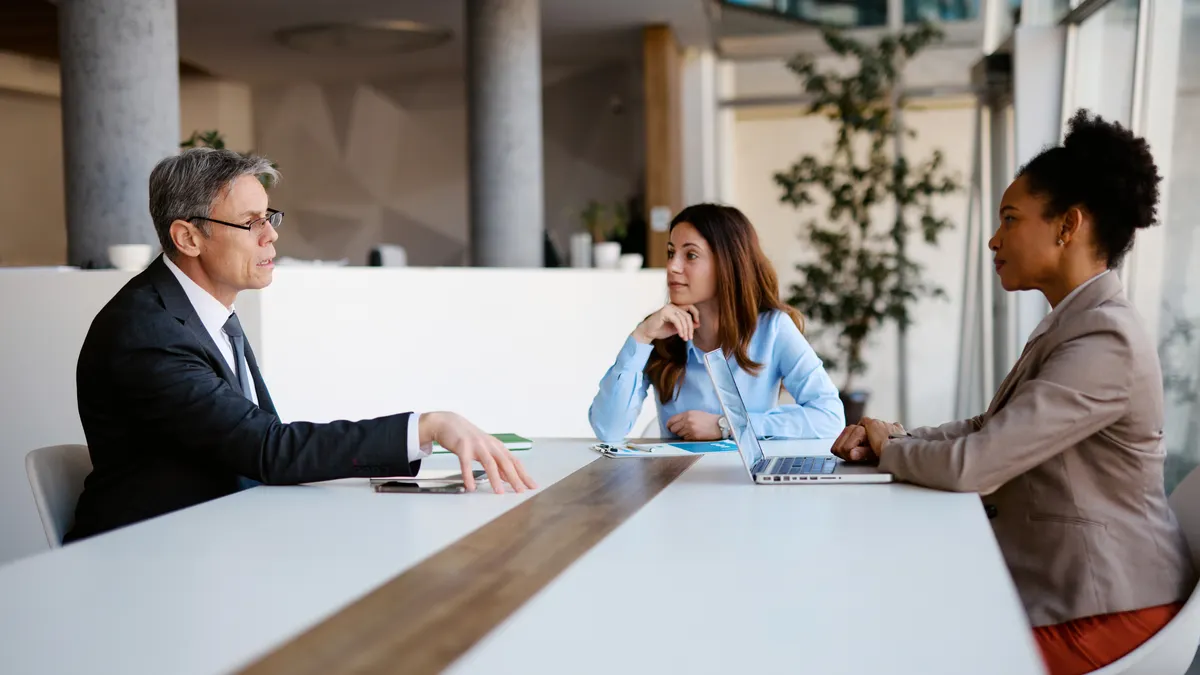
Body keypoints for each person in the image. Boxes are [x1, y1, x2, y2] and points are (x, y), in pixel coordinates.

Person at [830, 110, 1196, 675]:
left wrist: (889, 450)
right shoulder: (1077, 320)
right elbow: (987, 427)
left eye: (1010, 219)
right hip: (1072, 593)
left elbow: (976, 464)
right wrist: (898, 438)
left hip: (1106, 611)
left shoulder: (1106, 337)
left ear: (1067, 225)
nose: (995, 239)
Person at [65, 148, 535, 543]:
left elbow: (259, 442)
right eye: (250, 222)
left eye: (269, 216)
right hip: (143, 562)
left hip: (214, 542)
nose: (271, 234)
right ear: (188, 237)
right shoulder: (148, 334)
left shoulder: (201, 309)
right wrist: (426, 425)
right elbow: (267, 448)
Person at [588, 203, 844, 444]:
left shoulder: (773, 329)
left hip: (746, 484)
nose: (672, 267)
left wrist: (728, 425)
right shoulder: (658, 333)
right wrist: (641, 337)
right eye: (670, 253)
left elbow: (830, 418)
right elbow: (608, 430)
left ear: (727, 264)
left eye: (690, 255)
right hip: (674, 484)